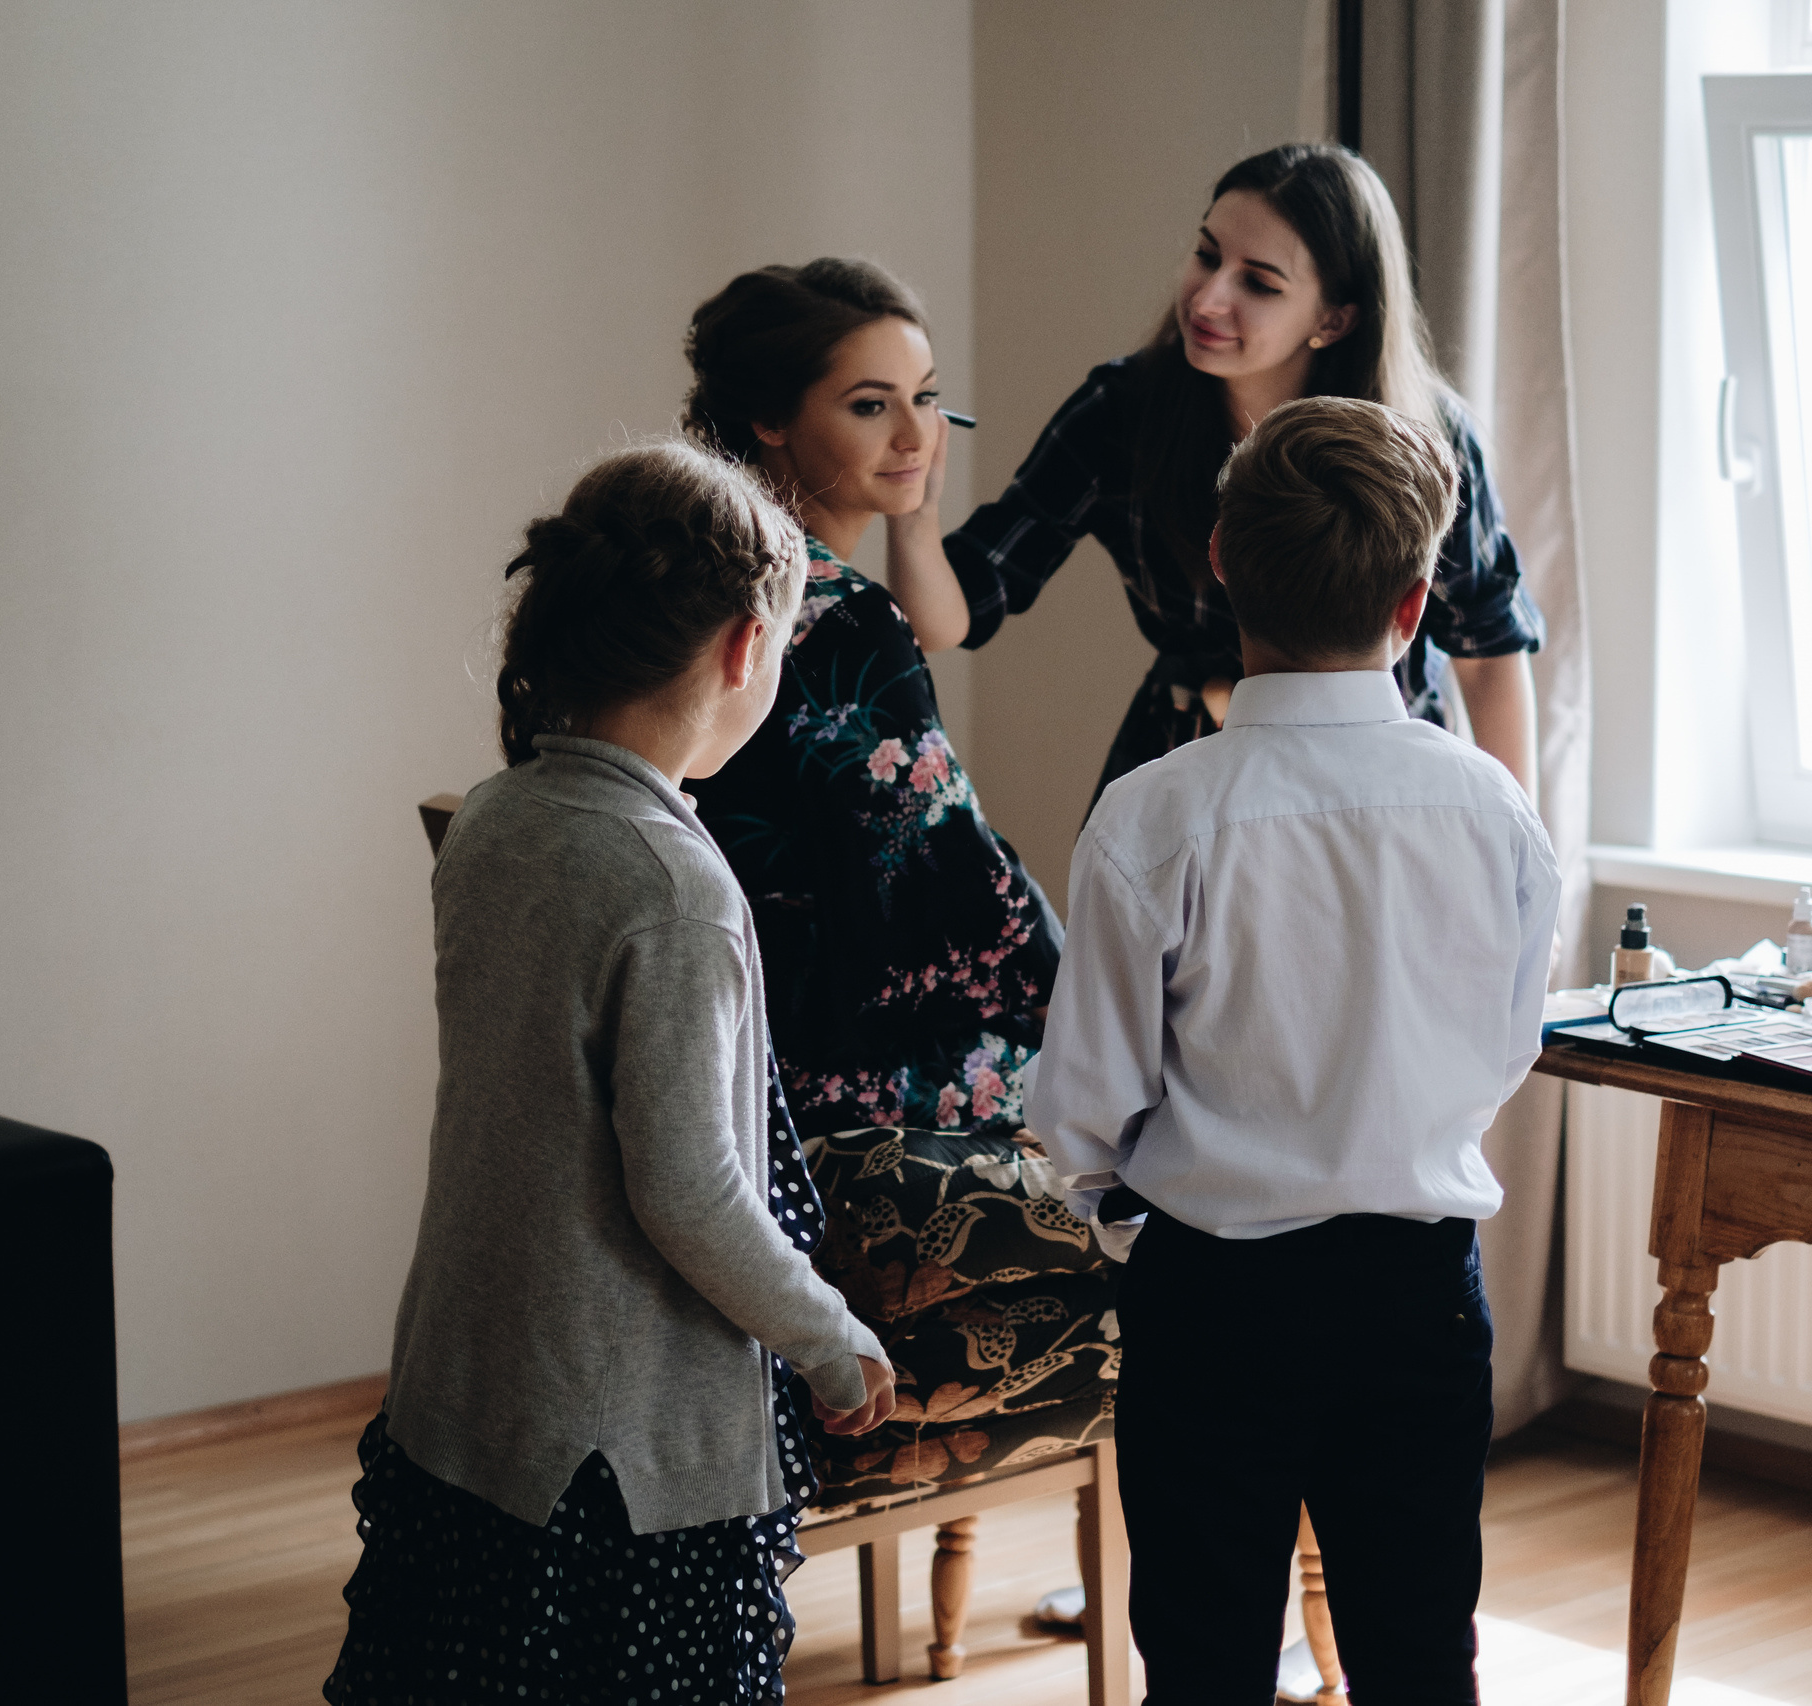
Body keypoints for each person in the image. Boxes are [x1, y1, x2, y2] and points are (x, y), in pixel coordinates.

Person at [325, 443, 897, 1706]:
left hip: (469, 1389)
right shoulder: (669, 883)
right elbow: (689, 1188)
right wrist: (830, 1340)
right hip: (614, 1458)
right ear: (746, 649)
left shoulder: (496, 816)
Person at [1028, 398, 1560, 1704]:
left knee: (1205, 1660)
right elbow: (1506, 1042)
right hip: (1418, 1295)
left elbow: (1082, 1105)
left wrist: (1116, 1221)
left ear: (1219, 555)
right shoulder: (1490, 802)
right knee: (1421, 1652)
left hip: (1214, 1302)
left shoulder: (1155, 817)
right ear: (1417, 600)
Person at [881, 141, 1543, 806]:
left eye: (1258, 282)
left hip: (1382, 783)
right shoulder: (1122, 413)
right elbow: (950, 616)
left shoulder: (1432, 437)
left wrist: (1517, 864)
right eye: (1207, 254)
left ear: (1335, 319)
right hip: (1189, 765)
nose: (1207, 297)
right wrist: (913, 508)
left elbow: (1487, 658)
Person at [679, 260, 1058, 1138]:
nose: (915, 436)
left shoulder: (697, 570)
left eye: (927, 398)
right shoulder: (838, 617)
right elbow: (951, 888)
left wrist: (916, 517)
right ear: (769, 417)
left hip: (712, 1024)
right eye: (870, 405)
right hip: (813, 1056)